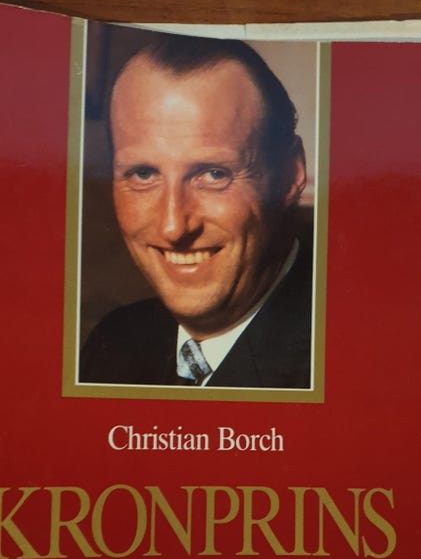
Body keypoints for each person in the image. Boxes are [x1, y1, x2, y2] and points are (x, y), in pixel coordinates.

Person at [80, 34, 313, 388]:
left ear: (291, 174)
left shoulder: (340, 354)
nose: (173, 227)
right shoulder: (113, 342)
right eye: (143, 174)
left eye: (214, 174)